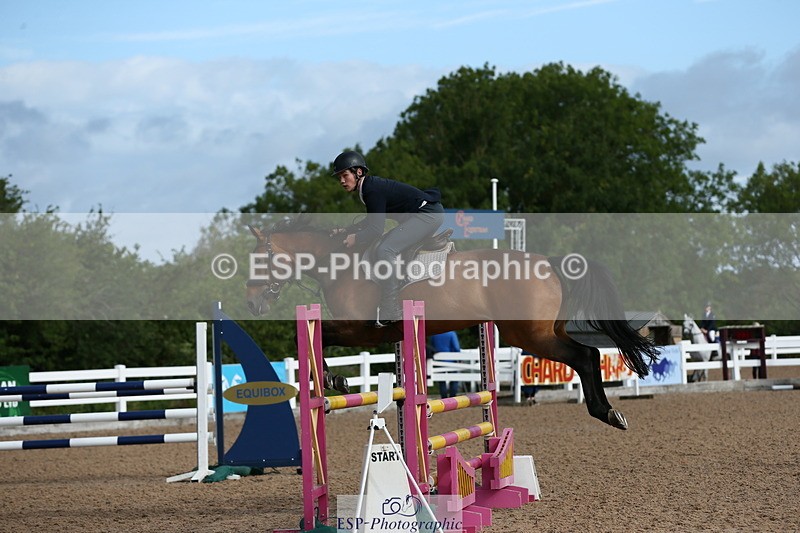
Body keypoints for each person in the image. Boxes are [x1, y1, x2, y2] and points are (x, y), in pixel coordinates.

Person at [331, 150, 445, 327]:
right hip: (424, 214)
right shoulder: (368, 187)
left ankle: (390, 307)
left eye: (345, 175)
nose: (342, 181)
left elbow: (375, 230)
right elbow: (371, 221)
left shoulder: (371, 189)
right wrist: (346, 230)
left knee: (385, 249)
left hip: (427, 215)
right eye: (339, 177)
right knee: (385, 245)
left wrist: (356, 238)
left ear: (358, 172)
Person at [429, 331, 462, 398]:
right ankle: (452, 397)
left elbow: (432, 346)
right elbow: (456, 347)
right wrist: (459, 358)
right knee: (454, 380)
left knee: (442, 381)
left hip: (438, 361)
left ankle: (444, 398)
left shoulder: (434, 334)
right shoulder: (452, 333)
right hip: (451, 360)